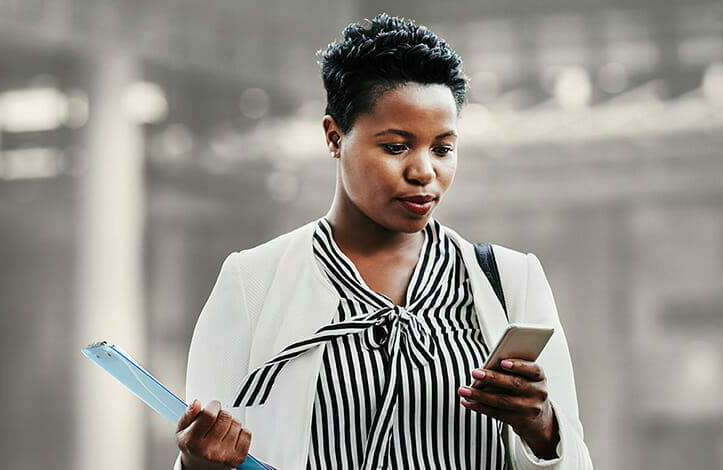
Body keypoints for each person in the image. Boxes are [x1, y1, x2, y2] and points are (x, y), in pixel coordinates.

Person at [172, 13, 594, 470]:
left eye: (443, 148)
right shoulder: (252, 283)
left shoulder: (510, 282)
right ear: (335, 136)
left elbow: (575, 460)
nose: (424, 171)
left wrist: (543, 429)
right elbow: (202, 451)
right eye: (396, 147)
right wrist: (200, 465)